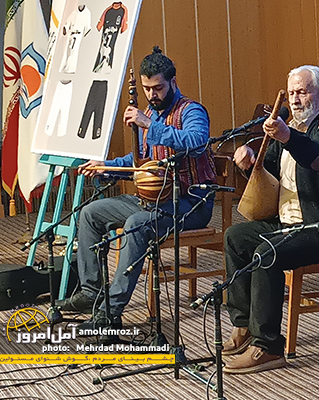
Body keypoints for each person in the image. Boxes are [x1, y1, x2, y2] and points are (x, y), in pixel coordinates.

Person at [57, 46, 216, 331]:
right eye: (147, 89)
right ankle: (91, 292)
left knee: (136, 224)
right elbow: (139, 159)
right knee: (91, 213)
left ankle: (110, 312)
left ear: (173, 82)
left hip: (189, 203)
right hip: (152, 200)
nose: (152, 95)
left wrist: (149, 124)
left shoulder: (191, 110)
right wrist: (106, 166)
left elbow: (196, 141)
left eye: (158, 88)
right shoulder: (150, 113)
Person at [222, 65, 319, 374]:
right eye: (292, 93)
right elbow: (267, 171)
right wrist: (249, 161)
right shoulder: (290, 128)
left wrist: (288, 136)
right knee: (235, 238)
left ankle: (268, 347)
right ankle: (244, 326)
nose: (294, 99)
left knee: (266, 252)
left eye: (302, 92)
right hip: (286, 224)